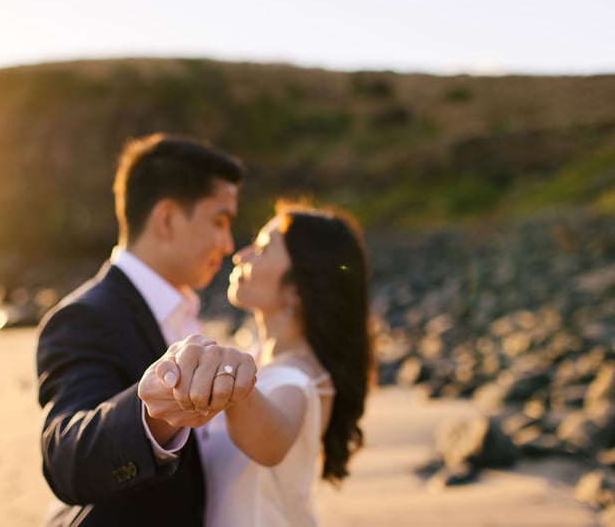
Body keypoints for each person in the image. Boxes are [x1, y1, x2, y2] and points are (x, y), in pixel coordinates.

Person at [36, 133, 257, 526]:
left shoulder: (185, 309)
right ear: (167, 220)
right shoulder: (84, 316)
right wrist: (152, 414)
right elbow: (66, 455)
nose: (228, 245)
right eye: (219, 222)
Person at [156, 201, 375, 526]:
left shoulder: (299, 379)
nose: (240, 256)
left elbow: (271, 444)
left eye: (261, 249)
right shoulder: (259, 355)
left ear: (298, 287)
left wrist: (233, 388)